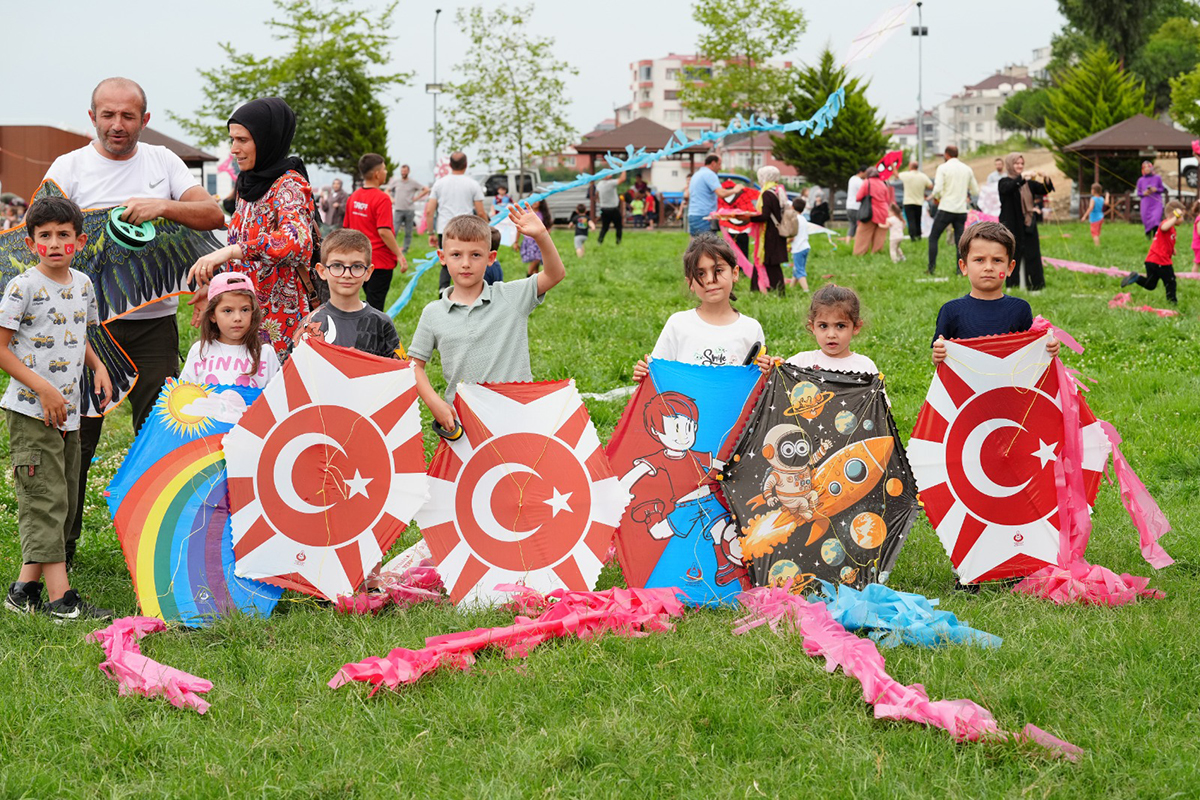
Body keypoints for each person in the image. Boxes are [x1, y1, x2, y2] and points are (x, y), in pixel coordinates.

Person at [45, 77, 225, 567]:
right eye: (107, 115)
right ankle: (60, 552)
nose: (117, 125)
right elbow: (40, 236)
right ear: (92, 117)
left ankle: (159, 550)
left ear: (145, 120)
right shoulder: (68, 167)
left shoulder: (163, 162)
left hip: (153, 327)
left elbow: (212, 213)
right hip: (86, 329)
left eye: (128, 116)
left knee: (162, 435)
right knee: (77, 439)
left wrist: (162, 205)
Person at [0, 196, 113, 619]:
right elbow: (2, 349)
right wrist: (43, 389)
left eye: (62, 234)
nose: (53, 243)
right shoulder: (23, 287)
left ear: (79, 241)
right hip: (31, 413)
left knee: (61, 497)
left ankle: (22, 591)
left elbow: (76, 336)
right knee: (44, 500)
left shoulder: (82, 284)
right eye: (43, 235)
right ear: (31, 244)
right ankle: (60, 600)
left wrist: (98, 366)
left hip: (68, 413)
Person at [409, 206, 565, 428]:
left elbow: (555, 274)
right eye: (456, 255)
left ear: (491, 258)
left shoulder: (511, 296)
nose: (465, 263)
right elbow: (415, 366)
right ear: (442, 257)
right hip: (464, 423)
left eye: (475, 255)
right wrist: (434, 403)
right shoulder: (432, 313)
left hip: (518, 418)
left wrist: (541, 236)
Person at [186, 97, 316, 358]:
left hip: (279, 323)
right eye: (232, 139)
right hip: (241, 318)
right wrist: (216, 289)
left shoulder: (289, 184)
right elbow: (243, 259)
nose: (234, 149)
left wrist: (232, 251)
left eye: (243, 140)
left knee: (277, 382)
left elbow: (297, 242)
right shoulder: (247, 185)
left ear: (267, 139)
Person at [633, 234, 770, 376]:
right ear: (690, 283)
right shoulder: (678, 324)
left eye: (718, 270)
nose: (710, 279)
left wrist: (768, 371)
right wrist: (645, 374)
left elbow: (755, 382)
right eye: (700, 274)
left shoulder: (751, 328)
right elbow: (658, 375)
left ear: (735, 273)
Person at [931, 221, 1062, 362]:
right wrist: (937, 355)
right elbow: (941, 360)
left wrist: (1049, 346)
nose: (988, 267)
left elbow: (1031, 355)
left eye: (997, 260)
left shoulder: (1020, 309)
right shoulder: (951, 311)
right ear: (964, 266)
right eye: (979, 260)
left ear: (1010, 268)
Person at [294, 229, 403, 357]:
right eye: (337, 266)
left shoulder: (382, 324)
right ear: (322, 271)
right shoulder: (310, 324)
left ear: (368, 272)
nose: (346, 274)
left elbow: (399, 367)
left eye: (357, 266)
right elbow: (294, 367)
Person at [182, 272, 278, 387]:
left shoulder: (265, 353)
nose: (237, 318)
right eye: (228, 311)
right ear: (213, 315)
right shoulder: (199, 351)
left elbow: (278, 394)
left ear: (253, 313)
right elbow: (184, 392)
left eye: (245, 310)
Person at [344, 153, 407, 311]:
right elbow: (384, 231)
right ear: (377, 174)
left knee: (363, 303)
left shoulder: (353, 197)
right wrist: (399, 254)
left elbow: (347, 229)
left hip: (359, 260)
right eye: (384, 169)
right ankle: (371, 328)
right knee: (375, 307)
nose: (386, 172)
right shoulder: (382, 198)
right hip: (379, 262)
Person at [423, 152, 486, 292]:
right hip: (469, 230)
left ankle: (443, 289)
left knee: (447, 262)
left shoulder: (439, 184)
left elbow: (429, 211)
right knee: (469, 262)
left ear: (450, 165)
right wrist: (488, 230)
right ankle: (470, 292)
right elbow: (481, 212)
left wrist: (431, 232)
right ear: (466, 164)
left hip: (445, 230)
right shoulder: (473, 184)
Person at [785, 284, 878, 374]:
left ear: (856, 327)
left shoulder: (865, 367)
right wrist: (777, 371)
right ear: (813, 327)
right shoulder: (800, 363)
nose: (831, 335)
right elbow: (782, 383)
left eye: (840, 326)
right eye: (823, 326)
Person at [997, 152, 1051, 291]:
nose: (1020, 166)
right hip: (1011, 225)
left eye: (1022, 163)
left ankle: (1035, 286)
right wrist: (1022, 178)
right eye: (1017, 163)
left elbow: (1044, 190)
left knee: (1032, 254)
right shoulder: (1004, 182)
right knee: (1011, 255)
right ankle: (1012, 286)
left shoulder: (1028, 183)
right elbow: (1009, 188)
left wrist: (1046, 177)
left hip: (1028, 224)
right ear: (1010, 164)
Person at [927, 146, 979, 275]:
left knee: (933, 237)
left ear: (946, 154)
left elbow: (937, 189)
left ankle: (931, 268)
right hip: (961, 210)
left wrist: (937, 197)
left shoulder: (943, 168)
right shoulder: (967, 169)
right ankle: (960, 270)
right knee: (960, 242)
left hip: (946, 208)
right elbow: (975, 190)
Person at [1121, 200, 1184, 305]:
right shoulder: (1165, 224)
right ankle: (1172, 303)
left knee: (1150, 285)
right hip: (1161, 262)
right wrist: (1176, 217)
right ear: (1174, 215)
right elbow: (1163, 227)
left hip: (1151, 261)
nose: (1183, 219)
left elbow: (1164, 240)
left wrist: (1172, 249)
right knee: (1170, 282)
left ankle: (1136, 277)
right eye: (1181, 216)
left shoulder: (1172, 229)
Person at [743, 166, 789, 294]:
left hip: (770, 234)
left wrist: (748, 218)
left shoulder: (767, 194)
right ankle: (760, 288)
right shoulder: (778, 191)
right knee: (769, 262)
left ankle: (776, 290)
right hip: (777, 232)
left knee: (769, 262)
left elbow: (764, 216)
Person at [685, 155, 739, 236]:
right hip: (704, 217)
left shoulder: (697, 174)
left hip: (693, 215)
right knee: (709, 243)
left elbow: (688, 195)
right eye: (719, 164)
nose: (720, 168)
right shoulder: (709, 174)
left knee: (697, 242)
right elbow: (721, 193)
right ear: (713, 163)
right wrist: (735, 190)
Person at [384, 164, 429, 253]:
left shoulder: (413, 182)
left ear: (408, 172)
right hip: (398, 209)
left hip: (409, 210)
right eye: (402, 171)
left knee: (408, 231)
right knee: (394, 230)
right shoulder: (396, 182)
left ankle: (405, 249)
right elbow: (387, 191)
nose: (403, 172)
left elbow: (426, 189)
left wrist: (416, 198)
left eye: (405, 171)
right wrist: (392, 199)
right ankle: (391, 248)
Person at [853, 166, 893, 256]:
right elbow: (887, 199)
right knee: (880, 234)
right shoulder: (883, 183)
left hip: (870, 212)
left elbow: (858, 197)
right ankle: (877, 253)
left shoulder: (867, 182)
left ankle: (859, 253)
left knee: (863, 233)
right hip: (883, 212)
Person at [898, 161, 932, 241]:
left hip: (908, 202)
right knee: (918, 219)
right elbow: (930, 186)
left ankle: (913, 237)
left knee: (911, 220)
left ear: (910, 166)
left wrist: (892, 166)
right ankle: (919, 235)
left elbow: (896, 175)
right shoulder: (923, 176)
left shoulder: (906, 175)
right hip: (919, 202)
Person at [519, 201, 552, 276]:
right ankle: (529, 274)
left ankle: (535, 278)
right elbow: (519, 227)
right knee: (537, 258)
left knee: (538, 260)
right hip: (529, 241)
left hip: (540, 240)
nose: (535, 203)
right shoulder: (525, 213)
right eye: (533, 200)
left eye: (537, 201)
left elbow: (547, 226)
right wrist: (516, 241)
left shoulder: (543, 213)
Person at [1136, 161, 1166, 239]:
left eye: (1148, 167)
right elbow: (1138, 193)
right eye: (1145, 167)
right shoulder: (1140, 180)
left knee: (1156, 217)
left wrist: (1156, 189)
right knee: (1146, 219)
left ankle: (1156, 236)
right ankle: (1148, 235)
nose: (1147, 169)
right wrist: (1144, 193)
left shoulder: (1157, 178)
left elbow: (1162, 189)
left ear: (1151, 168)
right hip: (1146, 203)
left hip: (1156, 202)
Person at [596, 171, 626, 244]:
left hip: (603, 209)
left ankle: (599, 241)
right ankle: (618, 242)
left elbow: (597, 195)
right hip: (613, 209)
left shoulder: (599, 184)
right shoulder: (611, 183)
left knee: (604, 227)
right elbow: (622, 179)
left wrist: (599, 201)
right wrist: (624, 169)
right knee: (618, 227)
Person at [788, 197, 810, 292]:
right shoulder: (803, 219)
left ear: (792, 207)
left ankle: (806, 290)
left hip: (798, 249)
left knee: (799, 271)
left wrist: (785, 243)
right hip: (805, 247)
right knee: (797, 269)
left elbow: (792, 236)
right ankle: (791, 288)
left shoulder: (794, 219)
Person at [845, 165, 867, 243]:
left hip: (849, 206)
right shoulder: (859, 181)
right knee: (859, 226)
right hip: (856, 207)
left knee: (852, 225)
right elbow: (865, 190)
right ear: (861, 172)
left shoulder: (852, 179)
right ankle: (857, 243)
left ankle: (847, 242)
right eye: (866, 173)